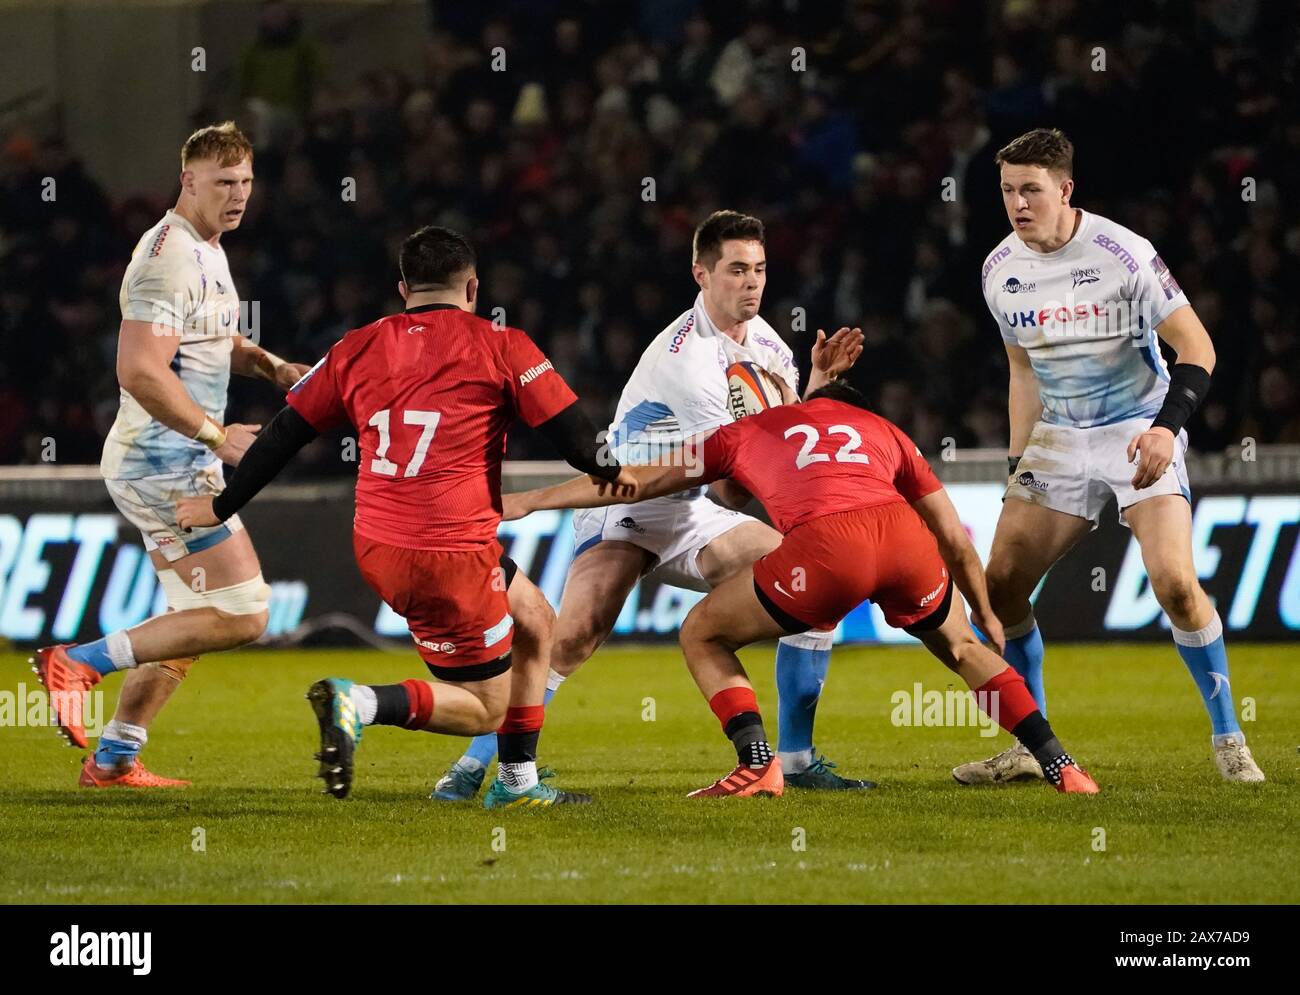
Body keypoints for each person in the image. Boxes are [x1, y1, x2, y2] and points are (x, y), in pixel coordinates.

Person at [177, 225, 635, 808]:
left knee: (537, 621)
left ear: (403, 288)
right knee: (484, 709)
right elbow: (575, 441)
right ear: (472, 288)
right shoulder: (502, 344)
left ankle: (516, 781)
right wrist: (614, 466)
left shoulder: (356, 345)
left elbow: (280, 436)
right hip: (449, 553)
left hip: (380, 542)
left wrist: (220, 505)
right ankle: (359, 703)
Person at [433, 210, 870, 801]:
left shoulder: (767, 342)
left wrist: (816, 386)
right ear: (701, 273)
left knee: (816, 586)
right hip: (627, 501)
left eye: (760, 270)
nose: (752, 283)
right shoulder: (686, 362)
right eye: (737, 270)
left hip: (689, 505)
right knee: (572, 637)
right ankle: (469, 769)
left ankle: (793, 759)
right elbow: (733, 485)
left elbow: (785, 436)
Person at [502, 380, 1100, 796]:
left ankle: (759, 765)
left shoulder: (747, 429)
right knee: (966, 651)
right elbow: (954, 536)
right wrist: (982, 610)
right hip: (903, 540)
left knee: (702, 633)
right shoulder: (884, 431)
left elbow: (630, 484)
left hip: (826, 550)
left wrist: (531, 500)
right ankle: (1060, 763)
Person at [956, 127, 1263, 785]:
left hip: (1137, 429)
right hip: (1060, 439)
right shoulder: (999, 270)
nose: (1018, 203)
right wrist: (1018, 467)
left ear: (1065, 189)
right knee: (1001, 580)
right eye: (1008, 190)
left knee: (1177, 584)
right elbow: (1023, 374)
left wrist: (1164, 428)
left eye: (1031, 189)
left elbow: (1197, 349)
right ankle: (1030, 743)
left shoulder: (1125, 254)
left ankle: (1229, 735)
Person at [31, 122, 311, 788]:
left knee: (195, 620)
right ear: (188, 180)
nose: (238, 195)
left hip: (173, 459)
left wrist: (272, 367)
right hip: (161, 463)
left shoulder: (207, 248)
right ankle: (81, 660)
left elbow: (211, 340)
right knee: (245, 612)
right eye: (223, 182)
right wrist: (219, 435)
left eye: (245, 182)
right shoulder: (168, 255)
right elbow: (139, 369)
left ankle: (114, 757)